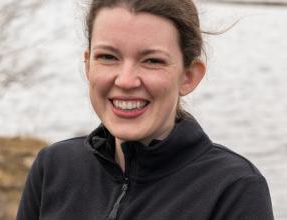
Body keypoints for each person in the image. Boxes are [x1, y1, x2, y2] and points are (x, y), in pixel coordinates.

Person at [17, 0, 274, 219]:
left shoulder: (234, 189)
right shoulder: (53, 167)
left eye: (152, 60)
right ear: (88, 66)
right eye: (108, 57)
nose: (126, 81)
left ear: (188, 76)